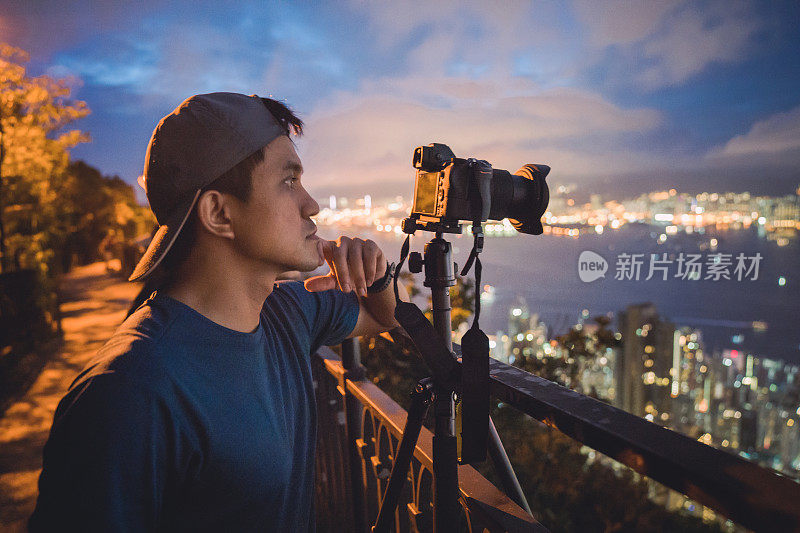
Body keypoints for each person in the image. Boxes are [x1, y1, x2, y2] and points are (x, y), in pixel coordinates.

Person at [29, 92, 404, 532]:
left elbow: (383, 317)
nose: (312, 205)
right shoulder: (129, 395)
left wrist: (376, 277)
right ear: (218, 213)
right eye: (288, 181)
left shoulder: (286, 312)